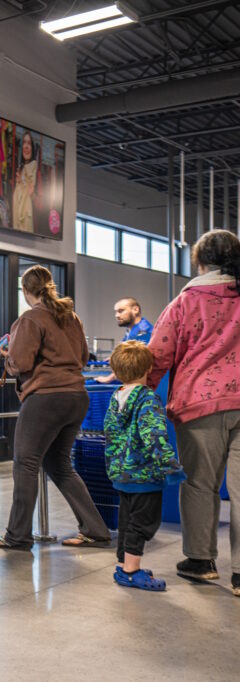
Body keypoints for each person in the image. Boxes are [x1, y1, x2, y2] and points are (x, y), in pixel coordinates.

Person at [0, 265, 111, 551]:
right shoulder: (71, 318)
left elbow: (21, 363)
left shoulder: (31, 318)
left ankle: (17, 536)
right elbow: (83, 356)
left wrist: (7, 356)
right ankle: (95, 529)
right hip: (76, 396)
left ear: (25, 290)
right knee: (59, 464)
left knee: (25, 464)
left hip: (45, 398)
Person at [146, 230, 240, 594]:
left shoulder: (187, 300)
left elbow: (159, 352)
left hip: (201, 404)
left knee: (200, 484)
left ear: (200, 261)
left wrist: (143, 392)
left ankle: (201, 561)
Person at [104, 341, 185, 591]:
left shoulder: (116, 396)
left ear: (116, 372)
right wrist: (171, 466)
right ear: (149, 367)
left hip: (121, 474)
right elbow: (154, 436)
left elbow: (109, 433)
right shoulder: (147, 399)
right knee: (143, 523)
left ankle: (124, 564)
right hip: (144, 476)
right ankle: (131, 571)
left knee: (127, 520)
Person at [96, 297, 154, 384]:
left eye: (121, 311)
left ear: (135, 310)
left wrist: (109, 378)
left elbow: (134, 363)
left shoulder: (142, 331)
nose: (117, 315)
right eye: (116, 312)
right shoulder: (131, 330)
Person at [12, 131, 38, 233]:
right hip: (17, 209)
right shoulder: (21, 167)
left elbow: (31, 189)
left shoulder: (33, 165)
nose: (26, 146)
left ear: (32, 147)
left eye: (29, 143)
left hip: (25, 212)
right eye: (24, 143)